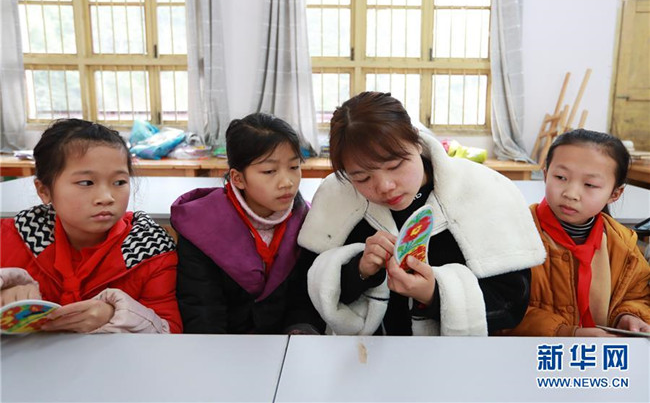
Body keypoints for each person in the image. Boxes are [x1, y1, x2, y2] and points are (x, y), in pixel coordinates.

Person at [297, 91, 546, 336]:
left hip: (451, 357)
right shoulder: (337, 196)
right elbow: (305, 292)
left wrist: (434, 293)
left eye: (395, 165)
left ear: (416, 141)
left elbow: (512, 302)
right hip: (364, 354)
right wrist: (359, 271)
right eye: (362, 178)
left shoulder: (483, 189)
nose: (385, 186)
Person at [0, 119, 181, 333]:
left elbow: (169, 331)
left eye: (119, 182)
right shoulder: (11, 237)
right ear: (44, 191)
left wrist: (114, 316)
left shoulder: (151, 249)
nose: (106, 197)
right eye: (86, 183)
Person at [171, 113, 324, 334]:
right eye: (269, 171)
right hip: (224, 345)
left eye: (294, 166)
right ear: (238, 178)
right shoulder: (201, 227)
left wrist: (300, 330)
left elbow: (305, 297)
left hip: (286, 346)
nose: (287, 182)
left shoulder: (305, 221)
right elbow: (202, 310)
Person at [504, 129, 650, 336]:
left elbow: (636, 294)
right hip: (533, 353)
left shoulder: (623, 244)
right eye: (560, 177)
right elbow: (499, 307)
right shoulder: (513, 234)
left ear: (615, 193)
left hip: (601, 353)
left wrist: (628, 316)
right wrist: (566, 333)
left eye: (590, 184)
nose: (571, 194)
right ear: (545, 175)